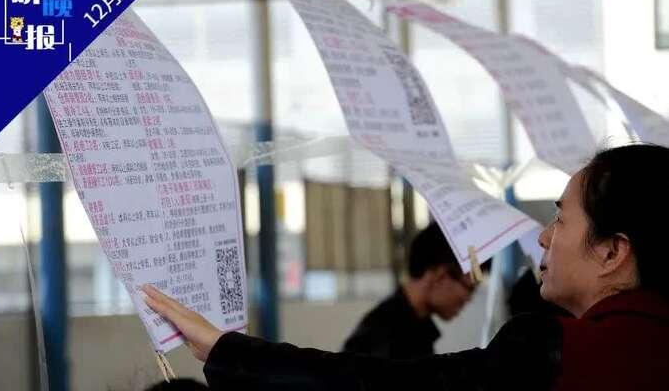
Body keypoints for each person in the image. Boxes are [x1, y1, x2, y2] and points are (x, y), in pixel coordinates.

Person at [142, 144, 669, 390]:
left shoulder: (552, 351)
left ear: (611, 251)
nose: (545, 236)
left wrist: (227, 349)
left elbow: (372, 387)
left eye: (561, 218)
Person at [342, 223, 475, 358]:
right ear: (440, 275)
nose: (468, 299)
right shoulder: (386, 338)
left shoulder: (408, 325)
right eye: (470, 288)